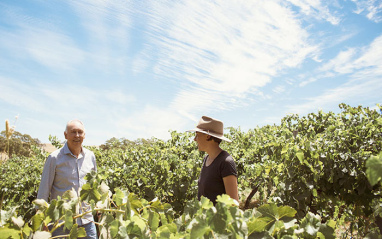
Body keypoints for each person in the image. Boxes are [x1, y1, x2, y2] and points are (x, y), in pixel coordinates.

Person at [37, 119, 98, 239]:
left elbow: (93, 186)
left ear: (84, 135)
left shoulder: (91, 157)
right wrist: (41, 220)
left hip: (87, 220)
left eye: (80, 132)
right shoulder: (54, 158)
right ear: (65, 135)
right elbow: (43, 191)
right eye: (73, 132)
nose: (77, 135)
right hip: (62, 223)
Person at [189, 116, 239, 205]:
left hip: (218, 219)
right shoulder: (206, 159)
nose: (194, 139)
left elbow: (233, 204)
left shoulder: (226, 162)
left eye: (197, 135)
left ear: (208, 136)